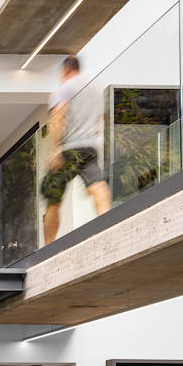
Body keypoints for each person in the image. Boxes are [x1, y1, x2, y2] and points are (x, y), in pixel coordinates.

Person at [40, 55, 112, 244]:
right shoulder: (97, 90)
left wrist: (55, 150)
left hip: (69, 149)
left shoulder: (64, 88)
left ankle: (48, 246)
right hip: (90, 147)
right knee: (98, 185)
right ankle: (107, 228)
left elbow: (58, 117)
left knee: (53, 197)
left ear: (65, 70)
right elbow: (101, 120)